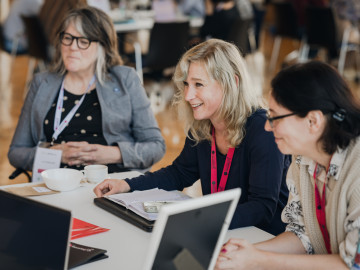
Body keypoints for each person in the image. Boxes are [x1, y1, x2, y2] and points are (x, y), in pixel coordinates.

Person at [94, 39, 290, 235]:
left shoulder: (264, 130)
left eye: (198, 84)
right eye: (187, 84)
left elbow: (262, 207)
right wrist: (127, 184)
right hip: (221, 231)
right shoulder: (204, 124)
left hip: (262, 238)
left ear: (232, 83)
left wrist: (202, 218)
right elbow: (179, 173)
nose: (188, 95)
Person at [216, 61, 360, 269]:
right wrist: (248, 252)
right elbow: (302, 234)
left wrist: (258, 260)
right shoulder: (303, 159)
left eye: (275, 117)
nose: (267, 126)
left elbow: (353, 265)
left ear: (313, 121)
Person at [8, 6, 165, 173]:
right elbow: (16, 152)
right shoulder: (41, 83)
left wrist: (113, 154)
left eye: (83, 41)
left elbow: (155, 147)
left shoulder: (125, 79)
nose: (72, 47)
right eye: (67, 38)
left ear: (102, 47)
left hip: (115, 185)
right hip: (57, 187)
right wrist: (55, 154)